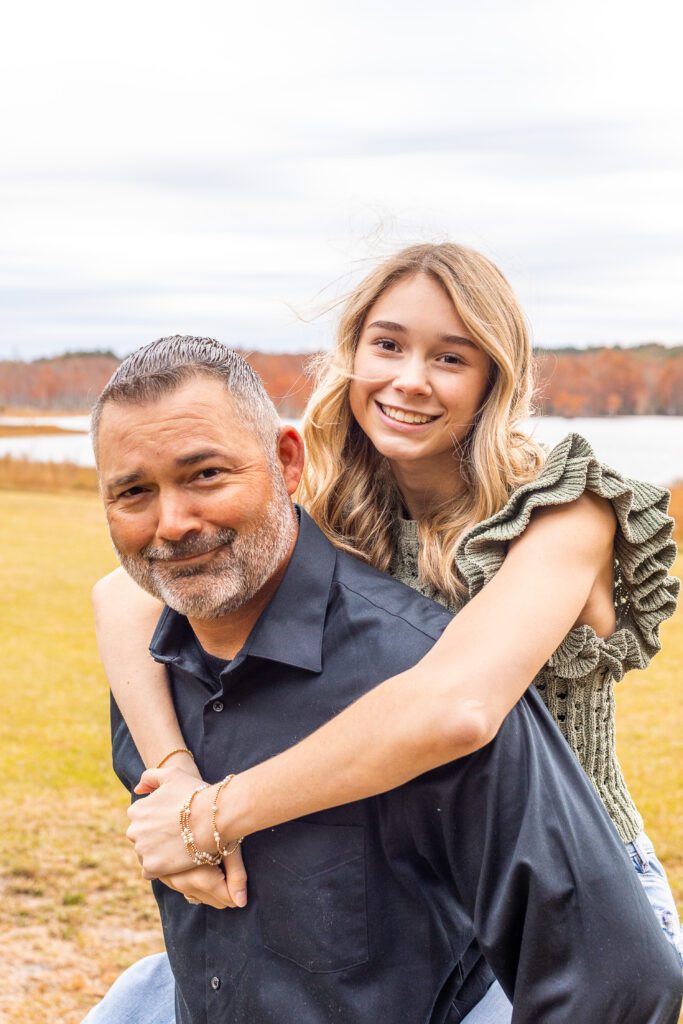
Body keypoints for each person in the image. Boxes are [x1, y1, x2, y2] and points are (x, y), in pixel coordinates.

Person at [94, 244, 682, 968]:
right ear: (352, 355)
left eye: (449, 358)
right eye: (388, 345)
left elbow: (456, 707)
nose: (408, 380)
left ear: (494, 378)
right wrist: (175, 773)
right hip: (411, 889)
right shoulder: (330, 498)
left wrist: (212, 817)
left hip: (570, 897)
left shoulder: (565, 512)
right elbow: (122, 593)